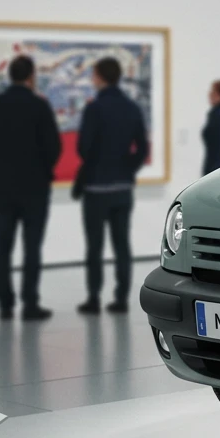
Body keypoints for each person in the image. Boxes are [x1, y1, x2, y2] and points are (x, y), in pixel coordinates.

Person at [0, 55, 61, 320]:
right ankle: (30, 303)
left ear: (10, 76)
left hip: (2, 187)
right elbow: (53, 147)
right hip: (35, 188)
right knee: (32, 248)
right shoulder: (39, 106)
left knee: (3, 246)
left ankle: (5, 303)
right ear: (31, 77)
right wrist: (40, 169)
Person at [76, 57, 149, 313]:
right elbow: (143, 148)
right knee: (122, 246)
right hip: (122, 188)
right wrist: (128, 168)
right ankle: (121, 298)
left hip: (96, 187)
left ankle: (93, 298)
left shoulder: (94, 109)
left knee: (94, 247)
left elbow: (83, 148)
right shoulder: (132, 108)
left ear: (100, 76)